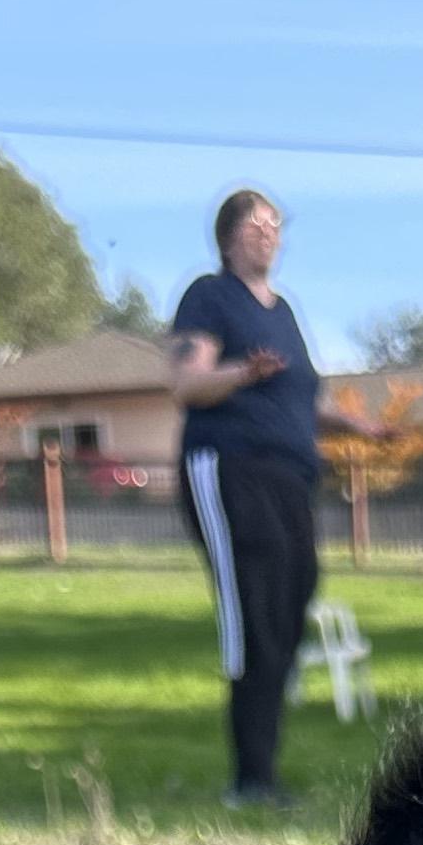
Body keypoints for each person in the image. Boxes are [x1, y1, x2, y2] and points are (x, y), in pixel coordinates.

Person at [171, 189, 322, 808]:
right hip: (228, 469)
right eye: (256, 224)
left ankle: (265, 768)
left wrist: (365, 428)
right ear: (229, 235)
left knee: (295, 599)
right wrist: (241, 373)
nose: (269, 233)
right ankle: (251, 780)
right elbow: (186, 383)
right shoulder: (210, 295)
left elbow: (306, 397)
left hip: (289, 477)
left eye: (276, 225)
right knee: (254, 615)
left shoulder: (282, 311)